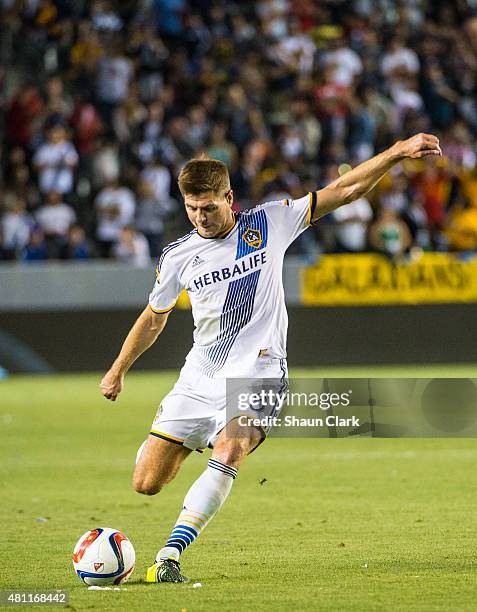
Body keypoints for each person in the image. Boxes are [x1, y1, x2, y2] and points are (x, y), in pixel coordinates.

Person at [99, 133, 441, 583]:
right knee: (146, 482)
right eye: (192, 208)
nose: (201, 218)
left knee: (232, 446)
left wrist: (396, 153)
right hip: (198, 378)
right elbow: (154, 317)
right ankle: (202, 442)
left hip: (261, 368)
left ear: (230, 198)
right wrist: (117, 369)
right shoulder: (178, 257)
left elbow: (346, 190)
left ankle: (170, 555)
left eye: (210, 207)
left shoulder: (270, 222)